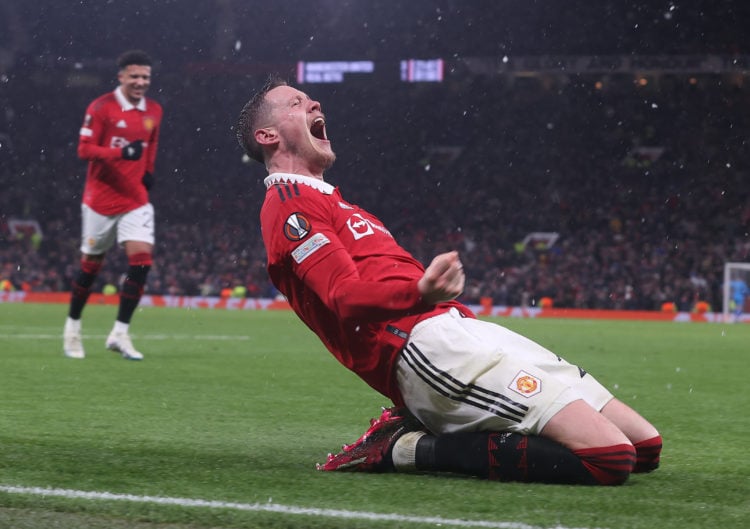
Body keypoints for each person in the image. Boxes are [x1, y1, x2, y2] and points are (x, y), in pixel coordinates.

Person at [235, 76, 662, 485]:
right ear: (268, 136)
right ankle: (406, 448)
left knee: (645, 447)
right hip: (421, 347)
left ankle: (430, 419)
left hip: (464, 330)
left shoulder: (336, 201)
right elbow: (343, 297)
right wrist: (420, 291)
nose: (314, 104)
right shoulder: (287, 206)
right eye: (295, 103)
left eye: (309, 98)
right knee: (609, 458)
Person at [63, 50, 163, 361]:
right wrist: (120, 155)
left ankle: (120, 333)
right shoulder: (102, 107)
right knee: (91, 268)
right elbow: (83, 150)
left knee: (142, 261)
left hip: (135, 199)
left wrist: (147, 170)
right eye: (134, 76)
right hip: (100, 200)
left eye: (145, 77)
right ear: (120, 76)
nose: (140, 82)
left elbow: (151, 142)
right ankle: (72, 328)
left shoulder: (155, 110)